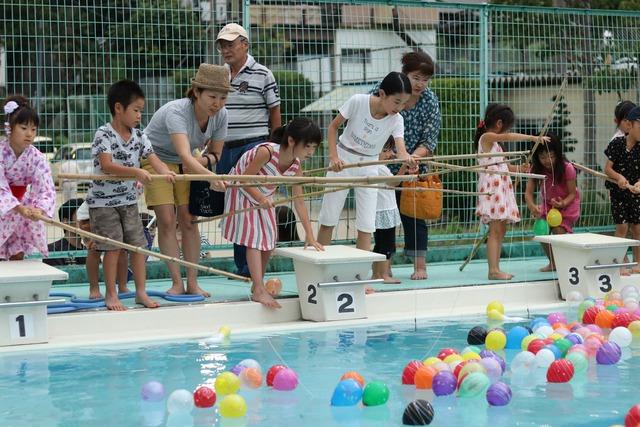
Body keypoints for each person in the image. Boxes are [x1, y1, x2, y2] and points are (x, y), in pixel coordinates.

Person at [87, 79, 175, 310]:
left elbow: (153, 159)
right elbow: (106, 165)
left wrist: (166, 173)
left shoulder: (140, 136)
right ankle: (110, 293)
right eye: (135, 110)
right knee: (112, 247)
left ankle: (141, 292)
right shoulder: (103, 134)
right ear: (118, 108)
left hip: (129, 202)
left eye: (140, 111)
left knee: (138, 246)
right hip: (103, 203)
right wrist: (136, 172)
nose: (139, 116)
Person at [143, 63, 228, 297]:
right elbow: (183, 154)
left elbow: (215, 154)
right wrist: (211, 177)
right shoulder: (177, 111)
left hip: (189, 162)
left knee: (189, 220)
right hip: (155, 158)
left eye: (222, 97)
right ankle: (176, 282)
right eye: (212, 96)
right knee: (167, 220)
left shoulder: (221, 116)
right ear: (196, 92)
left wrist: (205, 166)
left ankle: (193, 282)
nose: (217, 103)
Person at [221, 118, 323, 309]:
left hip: (263, 196)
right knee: (254, 239)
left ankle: (257, 283)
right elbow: (243, 180)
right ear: (291, 141)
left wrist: (309, 234)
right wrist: (260, 198)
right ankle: (259, 288)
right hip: (242, 190)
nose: (311, 152)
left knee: (269, 239)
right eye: (307, 146)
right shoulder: (266, 152)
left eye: (314, 147)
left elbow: (299, 200)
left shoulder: (296, 165)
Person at [317, 71, 416, 253]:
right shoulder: (358, 101)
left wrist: (408, 160)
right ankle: (319, 270)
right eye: (396, 102)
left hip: (370, 167)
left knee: (366, 225)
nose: (399, 108)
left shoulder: (397, 120)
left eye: (403, 104)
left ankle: (360, 276)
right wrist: (334, 157)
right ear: (383, 93)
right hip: (343, 162)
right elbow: (333, 127)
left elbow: (402, 151)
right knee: (328, 219)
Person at [215, 23, 282, 277]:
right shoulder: (218, 74)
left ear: (245, 44)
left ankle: (249, 269)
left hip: (253, 147)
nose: (225, 50)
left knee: (253, 206)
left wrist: (274, 146)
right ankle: (242, 266)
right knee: (234, 207)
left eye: (230, 44)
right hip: (225, 148)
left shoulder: (263, 74)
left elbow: (275, 111)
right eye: (222, 45)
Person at [371, 51, 441, 280]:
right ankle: (385, 266)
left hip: (414, 166)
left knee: (415, 215)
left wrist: (411, 158)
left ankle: (420, 266)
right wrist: (384, 154)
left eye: (425, 79)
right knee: (385, 217)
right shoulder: (385, 90)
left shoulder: (429, 100)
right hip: (384, 166)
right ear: (404, 74)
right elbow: (369, 121)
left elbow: (430, 139)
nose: (421, 84)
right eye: (416, 77)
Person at [475, 103, 549, 280]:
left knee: (501, 230)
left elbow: (507, 167)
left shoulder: (497, 146)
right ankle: (493, 270)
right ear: (499, 123)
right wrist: (533, 138)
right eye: (507, 126)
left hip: (502, 190)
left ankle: (496, 268)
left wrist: (521, 169)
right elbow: (508, 137)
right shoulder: (486, 138)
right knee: (495, 230)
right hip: (493, 190)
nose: (507, 130)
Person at [0, 95, 56, 261]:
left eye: (33, 129)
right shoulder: (1, 153)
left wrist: (38, 209)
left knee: (17, 254)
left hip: (23, 209)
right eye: (24, 128)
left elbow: (45, 187)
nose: (29, 134)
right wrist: (19, 208)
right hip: (5, 206)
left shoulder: (36, 157)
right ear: (10, 128)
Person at [525, 134, 580, 272]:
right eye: (542, 157)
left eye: (551, 156)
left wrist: (563, 203)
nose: (547, 161)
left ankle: (565, 262)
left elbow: (572, 193)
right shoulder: (536, 169)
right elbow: (528, 194)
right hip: (548, 204)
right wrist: (532, 206)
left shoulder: (568, 168)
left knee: (558, 229)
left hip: (567, 204)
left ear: (558, 153)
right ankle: (554, 262)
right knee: (540, 230)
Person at [604, 106, 640, 275]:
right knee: (622, 228)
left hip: (636, 195)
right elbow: (607, 169)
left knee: (638, 228)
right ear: (629, 125)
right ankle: (619, 263)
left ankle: (638, 263)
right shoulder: (617, 144)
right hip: (618, 194)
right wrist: (618, 177)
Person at [75, 200, 132, 299]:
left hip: (119, 208)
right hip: (94, 211)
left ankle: (122, 286)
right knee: (94, 249)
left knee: (122, 249)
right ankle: (94, 288)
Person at [372, 138, 405, 284]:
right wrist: (404, 168)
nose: (390, 154)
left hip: (379, 212)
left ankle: (376, 274)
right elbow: (394, 183)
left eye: (390, 150)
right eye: (385, 151)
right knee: (387, 245)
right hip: (385, 211)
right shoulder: (380, 168)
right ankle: (384, 274)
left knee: (379, 244)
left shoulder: (376, 167)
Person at [43, 198, 87, 266]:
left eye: (87, 217)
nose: (85, 221)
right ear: (65, 222)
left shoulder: (90, 251)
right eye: (80, 216)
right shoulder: (53, 250)